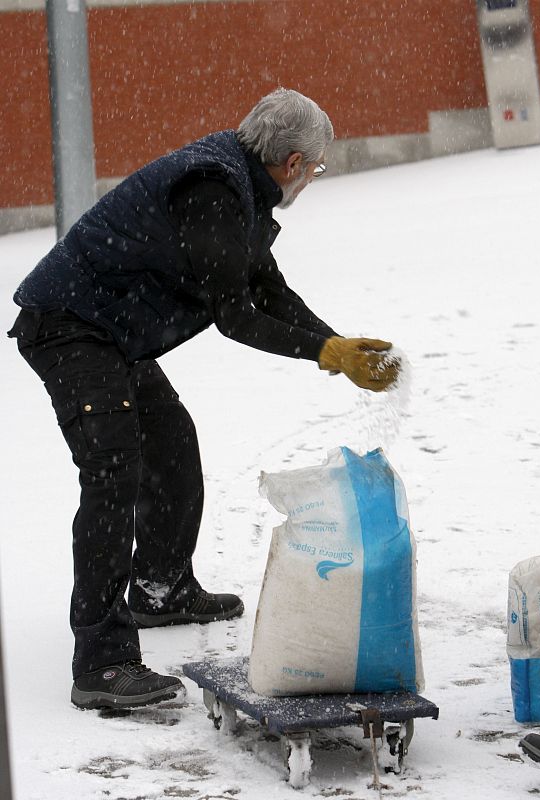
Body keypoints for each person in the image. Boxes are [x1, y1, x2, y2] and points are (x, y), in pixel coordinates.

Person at [7, 87, 399, 711]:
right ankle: (101, 663)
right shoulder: (214, 189)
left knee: (170, 444)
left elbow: (266, 288)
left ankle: (161, 588)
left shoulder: (239, 186)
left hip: (110, 331)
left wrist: (335, 342)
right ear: (295, 163)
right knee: (112, 471)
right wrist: (324, 354)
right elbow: (235, 315)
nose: (312, 180)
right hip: (71, 324)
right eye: (315, 168)